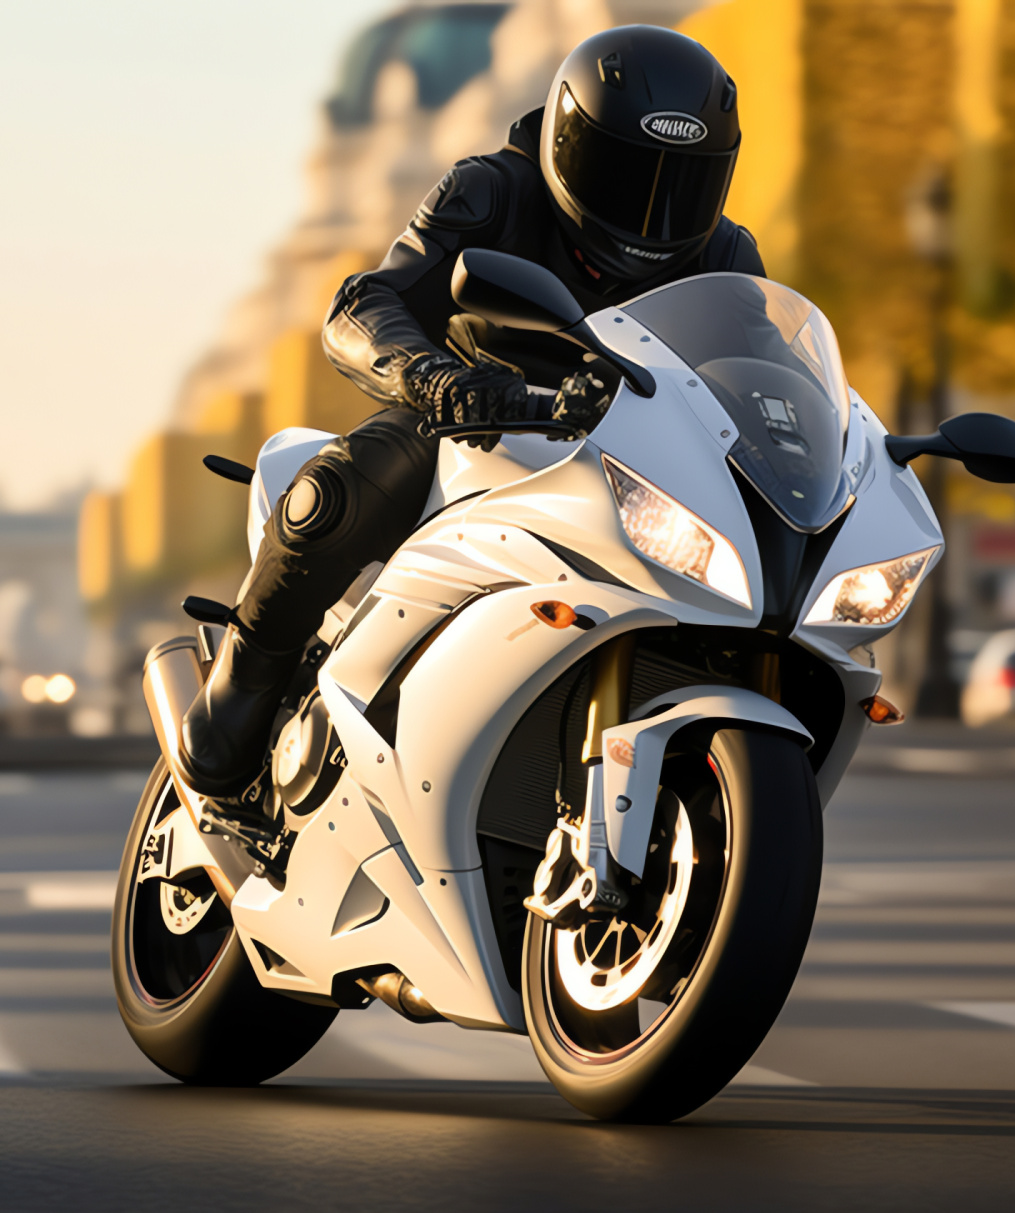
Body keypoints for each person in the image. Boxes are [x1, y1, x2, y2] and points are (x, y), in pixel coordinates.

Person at [180, 24, 766, 798]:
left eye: (678, 183)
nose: (652, 210)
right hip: (476, 425)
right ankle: (242, 688)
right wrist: (430, 378)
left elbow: (757, 376)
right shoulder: (493, 190)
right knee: (344, 489)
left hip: (635, 461)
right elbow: (365, 304)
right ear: (566, 143)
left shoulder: (728, 254)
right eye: (625, 175)